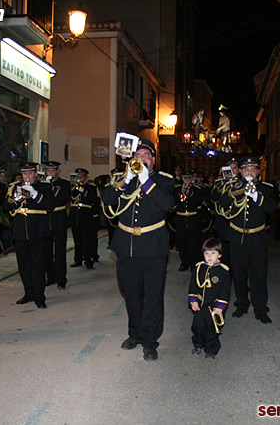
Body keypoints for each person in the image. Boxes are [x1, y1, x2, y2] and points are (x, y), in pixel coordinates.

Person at [101, 138, 174, 361]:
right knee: (131, 295)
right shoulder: (121, 179)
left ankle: (150, 341)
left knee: (152, 297)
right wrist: (126, 180)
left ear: (153, 160)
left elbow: (167, 204)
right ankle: (135, 334)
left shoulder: (164, 181)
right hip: (126, 247)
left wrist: (145, 182)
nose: (141, 159)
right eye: (138, 155)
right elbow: (106, 199)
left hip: (153, 248)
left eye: (146, 155)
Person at [218, 157, 275, 323]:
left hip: (257, 238)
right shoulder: (232, 186)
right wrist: (232, 193)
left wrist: (256, 196)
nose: (249, 172)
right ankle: (242, 304)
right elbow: (221, 204)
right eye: (246, 169)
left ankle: (260, 309)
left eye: (253, 169)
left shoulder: (266, 188)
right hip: (237, 238)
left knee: (258, 276)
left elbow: (271, 208)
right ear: (240, 172)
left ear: (258, 172)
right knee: (239, 274)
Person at [3, 163, 54, 308]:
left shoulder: (44, 187)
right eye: (25, 174)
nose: (27, 177)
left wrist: (35, 194)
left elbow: (50, 205)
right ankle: (28, 293)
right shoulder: (14, 187)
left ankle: (39, 296)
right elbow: (6, 207)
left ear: (36, 174)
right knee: (23, 265)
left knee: (38, 265)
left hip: (38, 231)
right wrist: (15, 200)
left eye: (30, 173)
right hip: (20, 232)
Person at [188, 238, 230, 359]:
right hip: (200, 305)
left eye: (213, 253)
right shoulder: (199, 268)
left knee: (212, 329)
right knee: (198, 326)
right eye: (207, 253)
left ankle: (211, 348)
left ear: (220, 255)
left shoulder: (223, 271)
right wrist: (193, 300)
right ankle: (198, 344)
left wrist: (220, 307)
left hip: (214, 306)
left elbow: (225, 291)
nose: (209, 256)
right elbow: (193, 286)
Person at [43, 161, 71, 288]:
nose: (50, 173)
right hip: (46, 218)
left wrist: (53, 188)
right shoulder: (42, 184)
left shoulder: (64, 184)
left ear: (57, 171)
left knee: (60, 250)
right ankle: (51, 276)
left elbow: (65, 199)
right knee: (46, 250)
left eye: (53, 171)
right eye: (48, 171)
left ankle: (61, 278)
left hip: (59, 217)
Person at [172, 170, 206, 271]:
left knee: (193, 243)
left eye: (189, 178)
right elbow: (173, 202)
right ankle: (184, 262)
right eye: (185, 178)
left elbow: (197, 202)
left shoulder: (198, 189)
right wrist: (180, 193)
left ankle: (193, 263)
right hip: (181, 219)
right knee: (181, 242)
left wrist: (189, 193)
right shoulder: (176, 189)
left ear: (192, 179)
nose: (187, 180)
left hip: (193, 219)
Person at [68, 168, 100, 269]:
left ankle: (88, 260)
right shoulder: (72, 189)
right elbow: (69, 199)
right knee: (77, 239)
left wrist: (82, 190)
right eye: (78, 176)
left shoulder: (90, 187)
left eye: (81, 176)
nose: (79, 178)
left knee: (87, 239)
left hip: (86, 215)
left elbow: (93, 199)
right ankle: (77, 259)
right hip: (75, 215)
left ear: (86, 177)